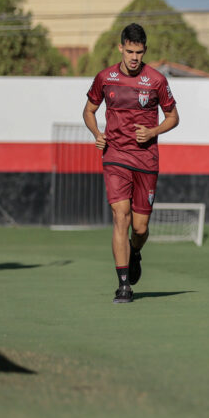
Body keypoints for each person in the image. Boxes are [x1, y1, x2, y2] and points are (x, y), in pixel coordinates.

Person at [83, 23, 179, 303]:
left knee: (139, 228)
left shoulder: (157, 80)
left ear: (144, 50)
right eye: (129, 51)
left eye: (138, 52)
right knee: (120, 216)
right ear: (121, 48)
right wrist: (97, 133)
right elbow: (89, 110)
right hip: (115, 157)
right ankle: (124, 284)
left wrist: (152, 132)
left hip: (146, 161)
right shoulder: (105, 78)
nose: (134, 57)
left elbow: (173, 117)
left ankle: (135, 252)